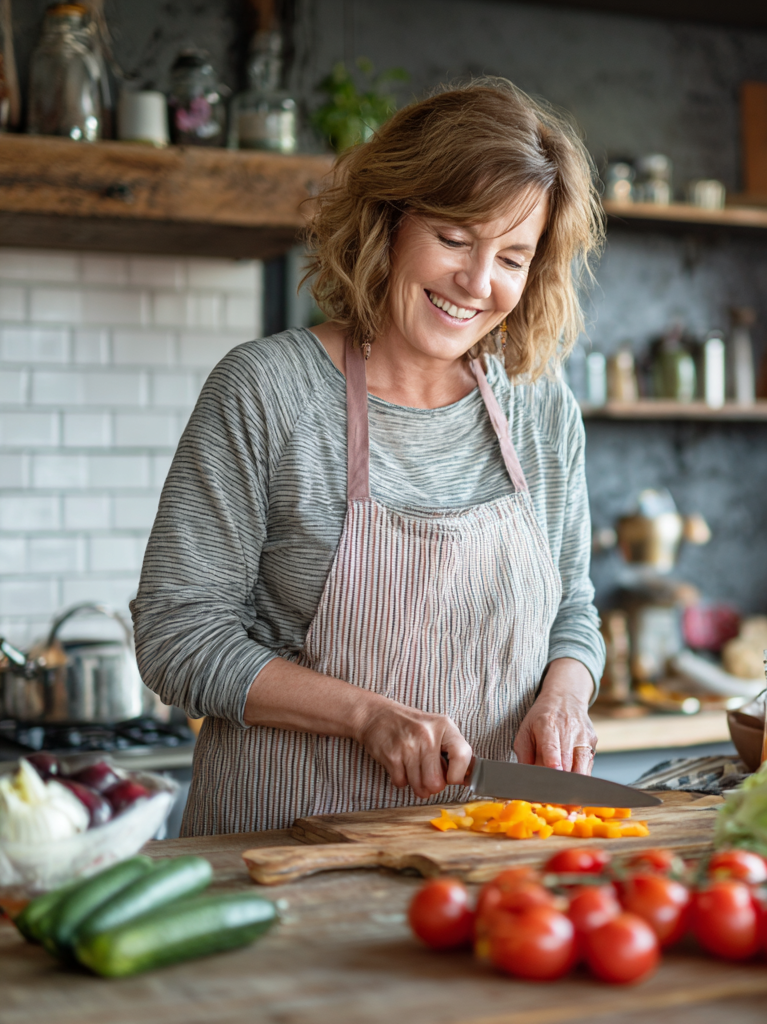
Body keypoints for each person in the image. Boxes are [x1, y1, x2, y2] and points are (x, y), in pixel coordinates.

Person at [131, 79, 607, 836]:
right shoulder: (269, 391)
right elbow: (177, 635)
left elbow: (573, 611)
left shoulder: (541, 410)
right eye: (454, 239)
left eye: (513, 257)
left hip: (485, 852)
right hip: (280, 850)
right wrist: (366, 717)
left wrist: (565, 696)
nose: (478, 283)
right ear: (388, 221)